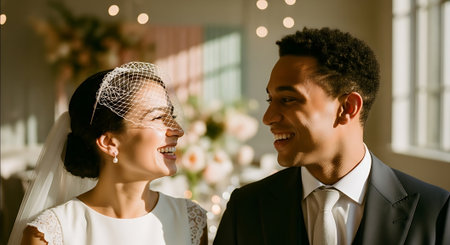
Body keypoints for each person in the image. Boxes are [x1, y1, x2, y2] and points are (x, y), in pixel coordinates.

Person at [213, 27, 450, 244]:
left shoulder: (436, 211)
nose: (268, 117)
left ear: (347, 108)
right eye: (270, 99)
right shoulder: (245, 208)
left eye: (288, 99)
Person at [8, 62, 208, 245]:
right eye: (157, 117)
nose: (178, 130)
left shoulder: (190, 220)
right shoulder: (50, 233)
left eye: (171, 116)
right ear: (110, 143)